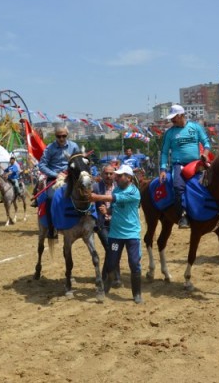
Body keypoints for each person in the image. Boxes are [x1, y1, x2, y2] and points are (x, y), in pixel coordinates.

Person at [90, 165, 143, 304]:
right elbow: (113, 209)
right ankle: (105, 289)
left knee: (134, 263)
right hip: (115, 234)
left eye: (120, 175)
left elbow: (113, 199)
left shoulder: (133, 192)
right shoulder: (118, 189)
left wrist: (96, 197)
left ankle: (137, 294)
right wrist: (106, 212)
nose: (116, 177)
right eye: (117, 175)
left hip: (131, 234)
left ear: (129, 178)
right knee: (111, 263)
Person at [159, 104, 211, 229]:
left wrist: (205, 154)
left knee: (207, 185)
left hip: (196, 164)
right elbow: (165, 152)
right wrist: (162, 169)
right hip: (179, 165)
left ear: (181, 115)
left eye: (174, 117)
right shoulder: (169, 133)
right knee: (178, 187)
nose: (172, 120)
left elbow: (206, 143)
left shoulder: (195, 127)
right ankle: (183, 215)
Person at [37, 126, 80, 238]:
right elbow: (41, 165)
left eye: (64, 136)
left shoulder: (74, 146)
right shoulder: (49, 148)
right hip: (55, 178)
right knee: (51, 198)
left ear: (67, 135)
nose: (61, 138)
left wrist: (71, 171)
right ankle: (52, 228)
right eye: (58, 136)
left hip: (70, 176)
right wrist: (56, 174)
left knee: (85, 192)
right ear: (55, 136)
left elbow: (78, 161)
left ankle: (89, 221)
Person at [91, 164, 121, 288]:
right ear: (102, 174)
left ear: (114, 174)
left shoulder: (119, 188)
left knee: (114, 249)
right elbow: (90, 205)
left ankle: (111, 276)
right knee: (110, 247)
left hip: (117, 224)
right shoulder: (96, 187)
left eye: (111, 173)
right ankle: (109, 277)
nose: (108, 176)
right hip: (102, 224)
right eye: (106, 173)